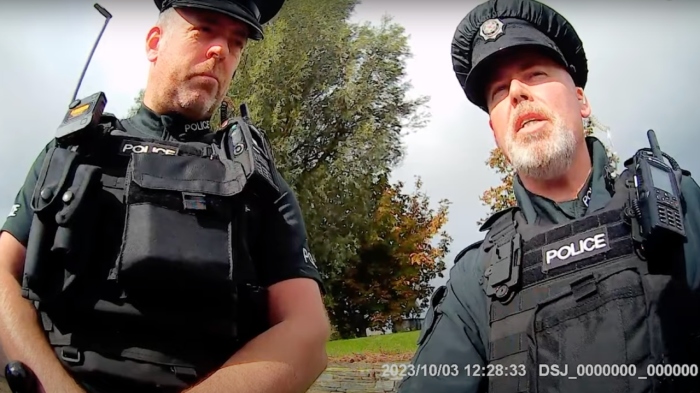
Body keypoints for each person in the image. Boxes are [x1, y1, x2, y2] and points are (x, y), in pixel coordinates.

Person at [0, 0, 330, 392]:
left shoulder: (258, 182)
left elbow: (307, 330)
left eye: (236, 42)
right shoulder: (73, 152)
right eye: (204, 30)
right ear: (155, 42)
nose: (220, 51)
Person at [397, 0, 700, 392]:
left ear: (581, 100)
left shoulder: (676, 204)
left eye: (535, 74)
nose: (517, 93)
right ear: (496, 131)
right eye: (499, 92)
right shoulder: (475, 278)